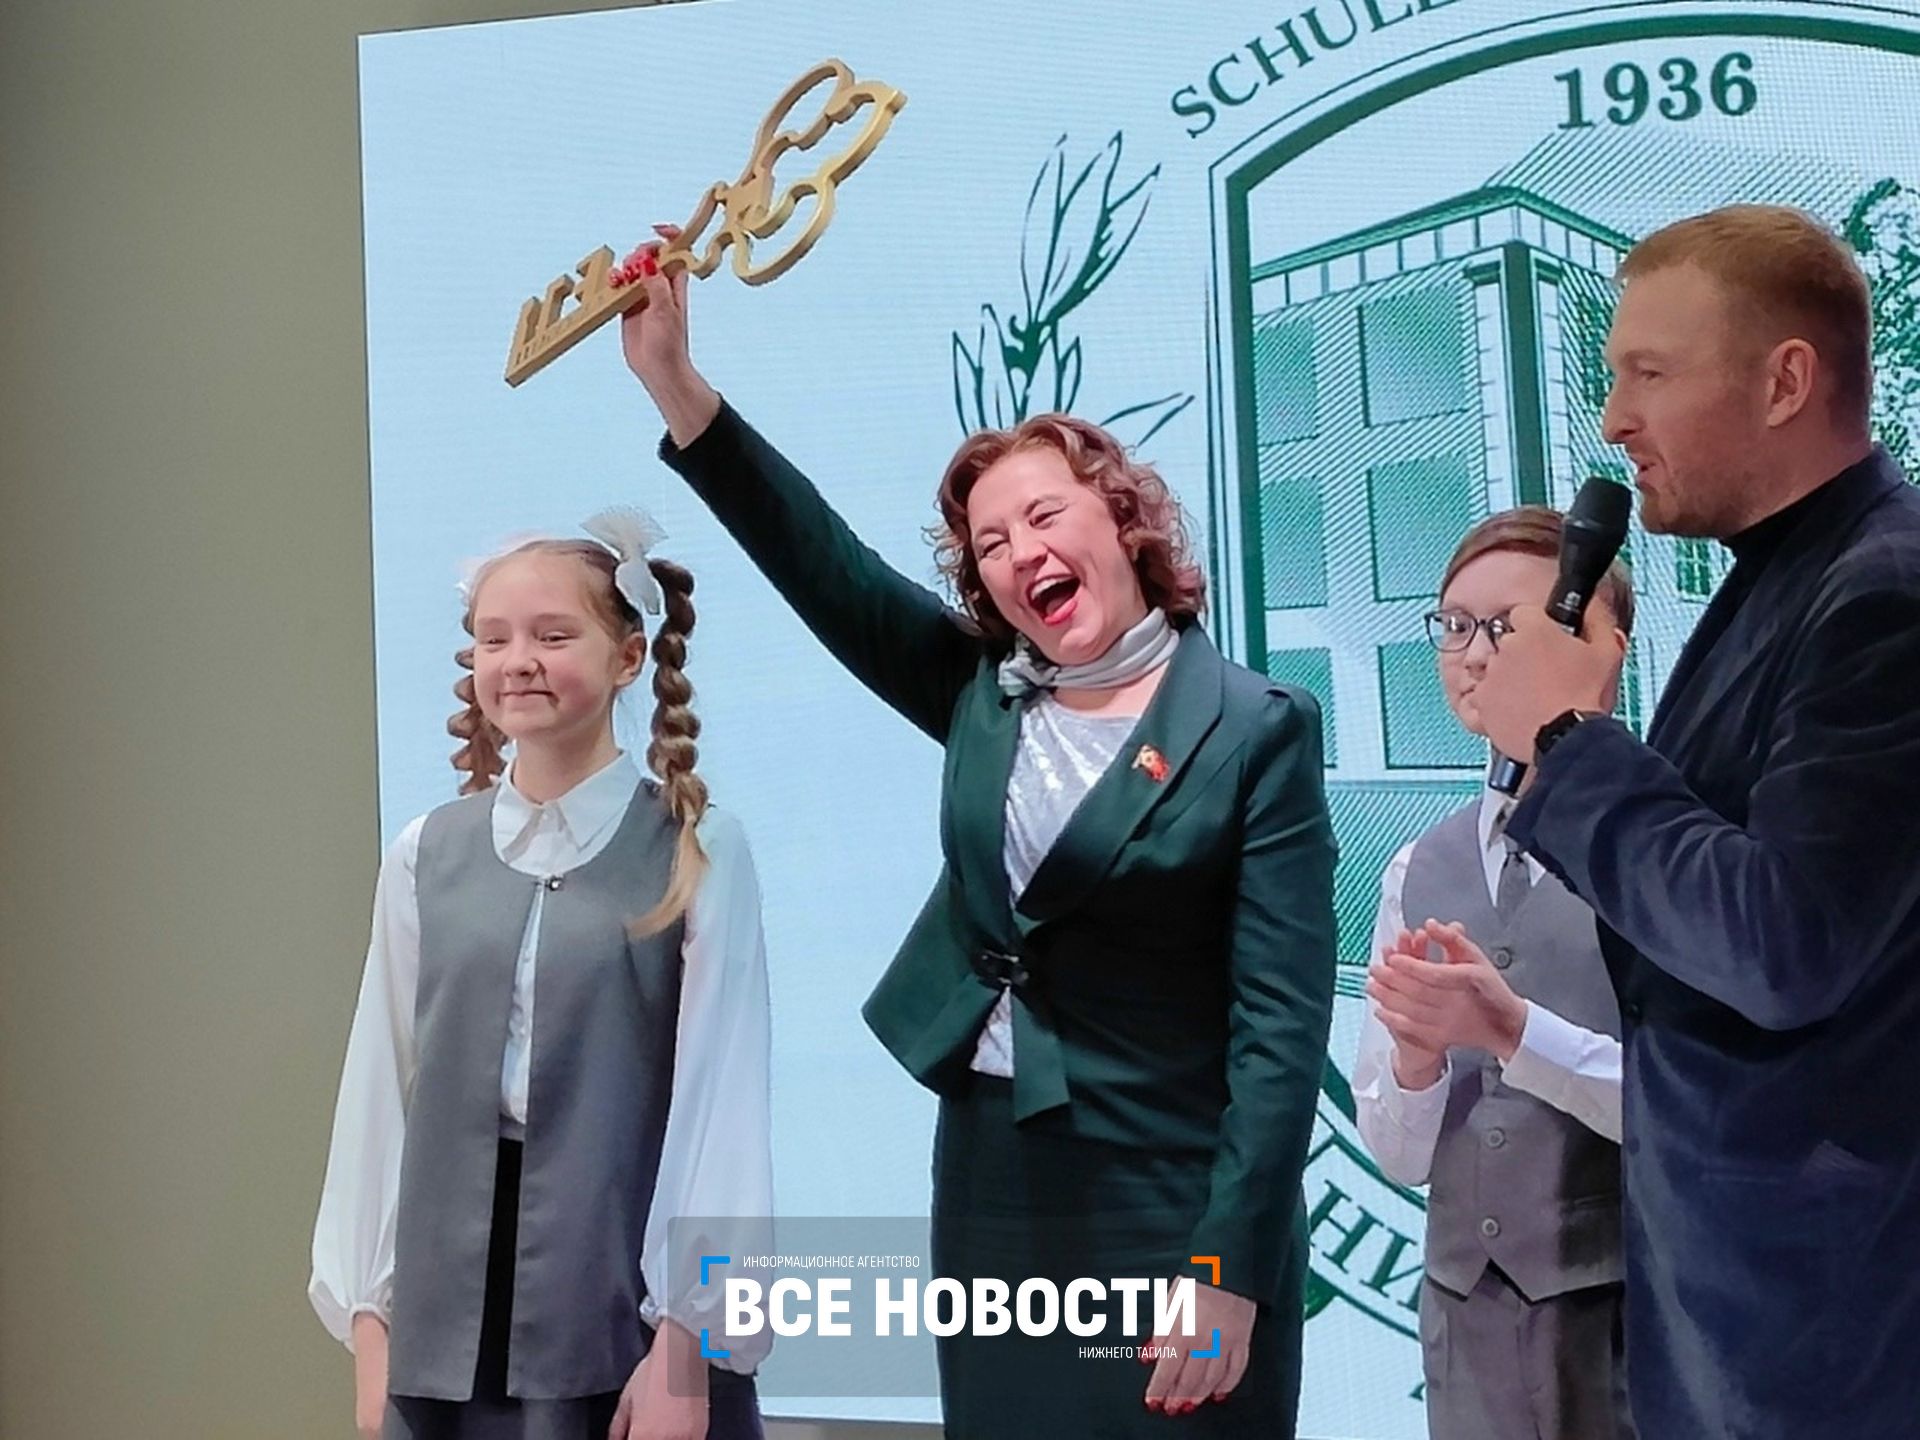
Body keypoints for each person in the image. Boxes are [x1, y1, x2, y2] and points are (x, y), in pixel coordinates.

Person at [616, 234, 1337, 1437]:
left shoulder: (1255, 727)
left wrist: (1231, 1268)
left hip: (1172, 1194)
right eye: (990, 546)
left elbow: (1282, 1034)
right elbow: (824, 565)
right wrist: (677, 387)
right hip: (994, 1183)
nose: (1019, 554)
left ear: (1124, 520)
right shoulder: (982, 694)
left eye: (1043, 515)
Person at [1471, 204, 1920, 1436]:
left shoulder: (1882, 595)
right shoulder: (1790, 576)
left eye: (1649, 374)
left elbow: (1781, 945)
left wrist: (1569, 742)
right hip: (1751, 1315)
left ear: (1786, 382)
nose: (1613, 419)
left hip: (1827, 1345)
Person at [309, 509, 773, 1440]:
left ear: (628, 657)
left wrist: (688, 1345)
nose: (519, 660)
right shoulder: (425, 854)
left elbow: (722, 1107)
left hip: (621, 1304)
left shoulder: (696, 849)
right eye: (495, 639)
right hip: (447, 1322)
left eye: (553, 636)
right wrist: (370, 1324)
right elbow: (379, 1090)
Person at [1353, 506, 1635, 1440]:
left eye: (1506, 627)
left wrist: (1514, 1031)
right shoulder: (1418, 869)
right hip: (1465, 1324)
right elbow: (1397, 1156)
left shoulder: (1669, 851)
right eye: (1455, 625)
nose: (1474, 655)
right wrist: (1418, 1063)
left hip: (1634, 1315)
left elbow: (1699, 1110)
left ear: (1602, 645)